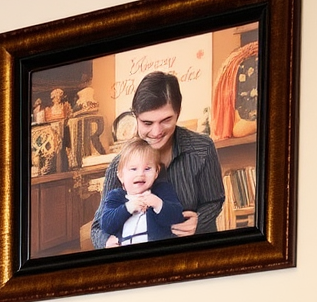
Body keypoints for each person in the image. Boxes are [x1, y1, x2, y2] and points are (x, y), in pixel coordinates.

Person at [90, 71, 224, 248]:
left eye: (166, 120)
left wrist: (199, 222)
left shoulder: (203, 148)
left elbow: (214, 200)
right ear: (135, 117)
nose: (156, 132)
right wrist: (106, 242)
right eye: (147, 123)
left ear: (178, 112)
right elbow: (98, 227)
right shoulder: (120, 165)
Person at [97, 138, 185, 246]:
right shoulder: (116, 196)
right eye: (133, 169)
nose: (140, 174)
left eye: (147, 169)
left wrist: (158, 204)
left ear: (156, 172)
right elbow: (106, 225)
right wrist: (128, 207)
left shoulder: (162, 191)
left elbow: (177, 216)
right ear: (121, 176)